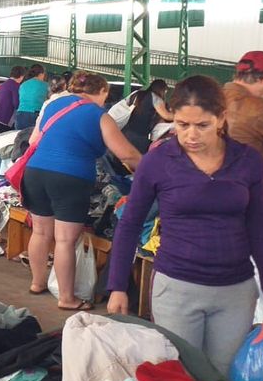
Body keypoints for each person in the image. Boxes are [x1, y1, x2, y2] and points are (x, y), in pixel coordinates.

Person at [107, 75, 263, 375]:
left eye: (202, 125)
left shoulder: (248, 162)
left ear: (221, 118)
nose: (191, 135)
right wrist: (117, 286)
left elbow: (262, 229)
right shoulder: (158, 162)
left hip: (235, 293)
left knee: (222, 378)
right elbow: (130, 223)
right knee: (181, 376)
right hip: (176, 289)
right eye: (182, 124)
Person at [22, 71, 141, 311]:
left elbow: (34, 140)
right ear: (103, 91)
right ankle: (67, 298)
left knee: (41, 232)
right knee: (65, 240)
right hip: (70, 177)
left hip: (35, 172)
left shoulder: (53, 105)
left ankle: (37, 283)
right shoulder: (99, 115)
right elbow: (127, 154)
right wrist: (151, 168)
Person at [120, 79, 173, 153]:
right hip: (140, 135)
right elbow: (166, 116)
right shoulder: (156, 98)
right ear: (162, 90)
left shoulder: (137, 94)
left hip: (124, 132)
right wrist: (181, 117)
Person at [0, 65, 25, 133]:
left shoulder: (5, 84)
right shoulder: (16, 86)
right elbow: (16, 103)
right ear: (21, 76)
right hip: (6, 118)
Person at [15, 64, 48, 130]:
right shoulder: (45, 85)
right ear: (41, 74)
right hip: (35, 114)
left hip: (20, 114)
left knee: (20, 135)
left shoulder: (23, 84)